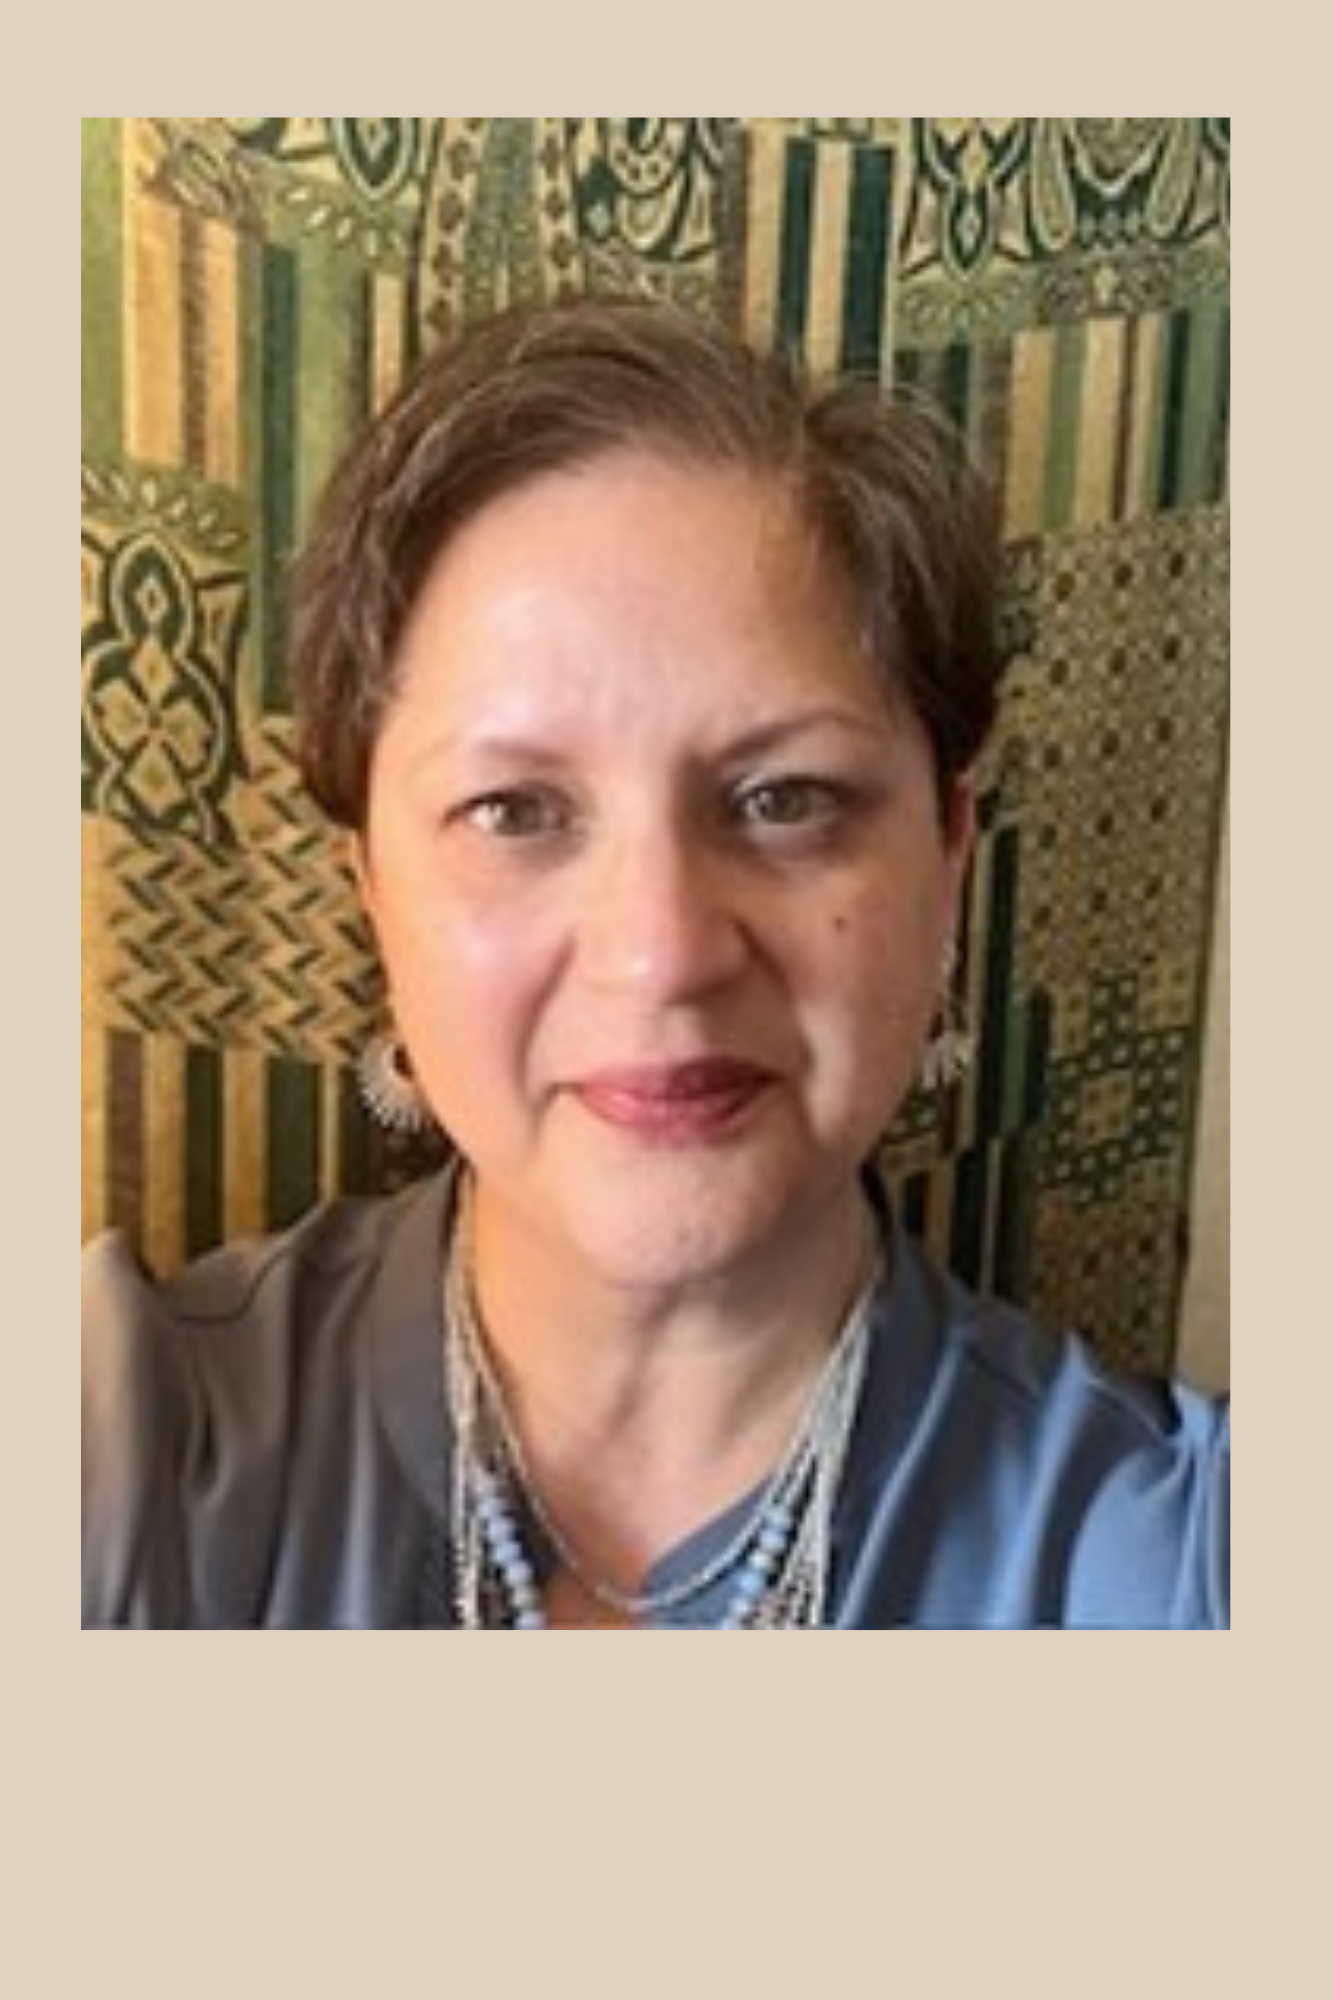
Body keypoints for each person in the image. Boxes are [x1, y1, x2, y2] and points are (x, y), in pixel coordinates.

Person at [81, 294, 1229, 1630]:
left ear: (950, 852)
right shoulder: (120, 1453)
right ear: (371, 888)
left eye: (787, 797)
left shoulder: (1183, 1563)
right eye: (514, 811)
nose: (663, 954)